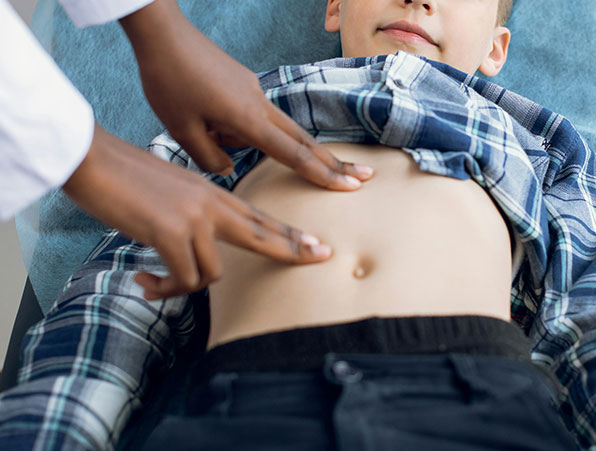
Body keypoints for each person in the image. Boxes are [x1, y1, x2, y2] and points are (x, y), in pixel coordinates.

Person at [1, 0, 596, 449]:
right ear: (335, 6)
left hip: (475, 398)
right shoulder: (232, 109)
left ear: (496, 47)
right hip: (246, 402)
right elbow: (120, 301)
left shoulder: (539, 141)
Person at [1, 0, 374, 300]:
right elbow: (119, 291)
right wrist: (90, 161)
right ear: (335, 6)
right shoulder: (258, 104)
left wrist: (156, 27)